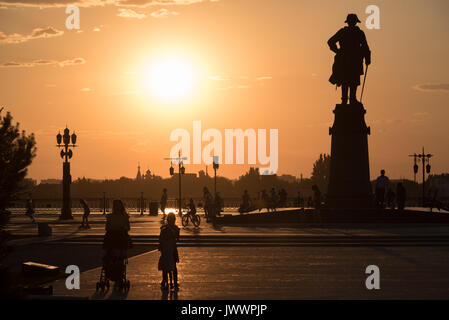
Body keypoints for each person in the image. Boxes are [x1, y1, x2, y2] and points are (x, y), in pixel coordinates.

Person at [328, 13, 371, 105]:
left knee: (350, 80)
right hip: (350, 60)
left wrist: (338, 51)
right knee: (349, 80)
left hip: (350, 60)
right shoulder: (358, 33)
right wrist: (338, 51)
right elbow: (365, 47)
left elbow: (365, 47)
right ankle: (349, 99)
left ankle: (348, 99)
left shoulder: (351, 32)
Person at [158, 212, 180, 291]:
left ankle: (165, 280)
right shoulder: (175, 228)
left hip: (168, 248)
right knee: (173, 265)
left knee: (166, 265)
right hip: (170, 248)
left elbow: (160, 239)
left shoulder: (165, 228)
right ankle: (174, 280)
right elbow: (178, 238)